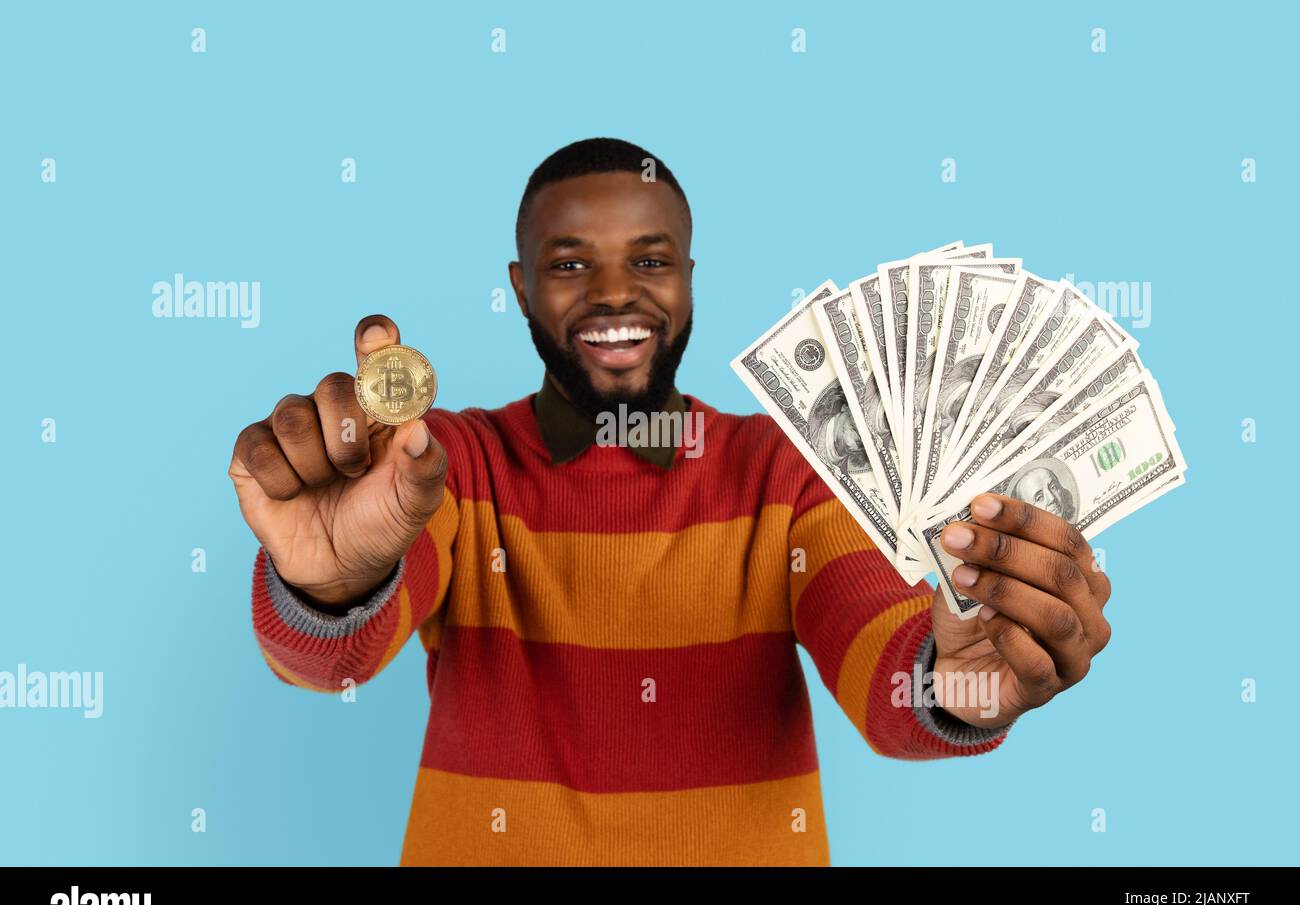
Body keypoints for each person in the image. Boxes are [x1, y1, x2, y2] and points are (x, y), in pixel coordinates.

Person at [228, 137, 1114, 866]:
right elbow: (332, 665)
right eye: (570, 264)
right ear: (520, 288)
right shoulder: (451, 464)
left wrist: (964, 678)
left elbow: (888, 677)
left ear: (690, 277)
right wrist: (329, 588)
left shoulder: (785, 470)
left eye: (649, 261)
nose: (615, 292)